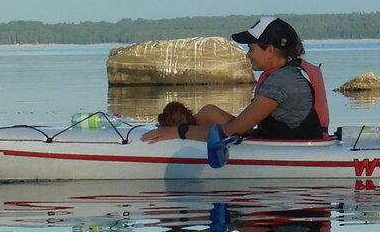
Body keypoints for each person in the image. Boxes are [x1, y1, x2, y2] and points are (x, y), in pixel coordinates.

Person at [141, 16, 331, 143]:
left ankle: (169, 137)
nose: (248, 55)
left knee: (199, 127)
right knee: (209, 112)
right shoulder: (288, 71)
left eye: (251, 48)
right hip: (281, 137)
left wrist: (179, 132)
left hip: (292, 148)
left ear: (270, 50)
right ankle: (166, 133)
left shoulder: (281, 82)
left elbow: (230, 131)